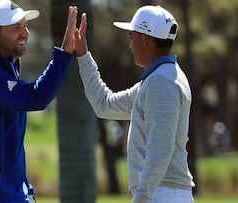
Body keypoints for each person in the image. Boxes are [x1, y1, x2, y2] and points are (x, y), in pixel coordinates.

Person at [0, 1, 78, 202]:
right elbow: (36, 97)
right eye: (16, 28)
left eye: (25, 26)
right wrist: (63, 55)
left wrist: (24, 187)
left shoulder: (7, 68)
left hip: (11, 193)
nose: (25, 33)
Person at [74, 5, 195, 203]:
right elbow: (104, 104)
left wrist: (141, 197)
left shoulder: (161, 83)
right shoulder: (157, 80)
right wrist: (83, 55)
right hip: (162, 193)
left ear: (146, 39)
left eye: (132, 37)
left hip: (162, 194)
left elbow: (160, 150)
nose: (130, 45)